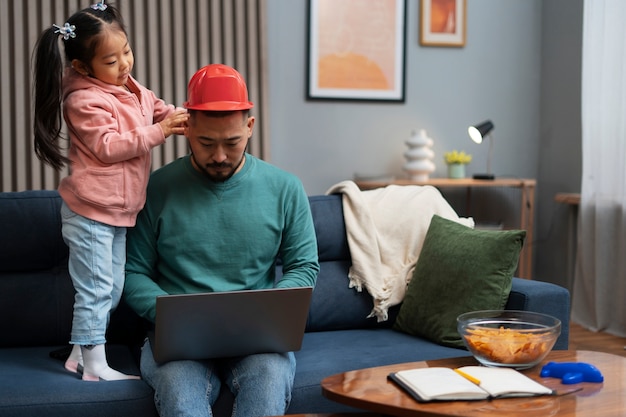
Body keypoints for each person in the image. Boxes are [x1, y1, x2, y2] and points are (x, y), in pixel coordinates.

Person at [123, 64, 320, 417]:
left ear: (250, 127)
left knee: (269, 379)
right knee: (179, 392)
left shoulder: (286, 188)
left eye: (232, 143)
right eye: (206, 143)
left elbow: (303, 266)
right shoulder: (156, 188)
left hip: (258, 341)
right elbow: (133, 271)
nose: (219, 156)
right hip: (178, 342)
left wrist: (268, 313)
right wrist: (171, 316)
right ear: (187, 128)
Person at [32, 1, 188, 381]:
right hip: (90, 213)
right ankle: (95, 367)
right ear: (82, 67)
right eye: (111, 60)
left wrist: (178, 115)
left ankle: (78, 354)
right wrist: (161, 133)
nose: (125, 65)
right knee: (98, 290)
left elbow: (155, 107)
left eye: (127, 52)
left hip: (116, 212)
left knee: (112, 288)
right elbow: (109, 146)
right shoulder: (83, 100)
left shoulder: (126, 86)